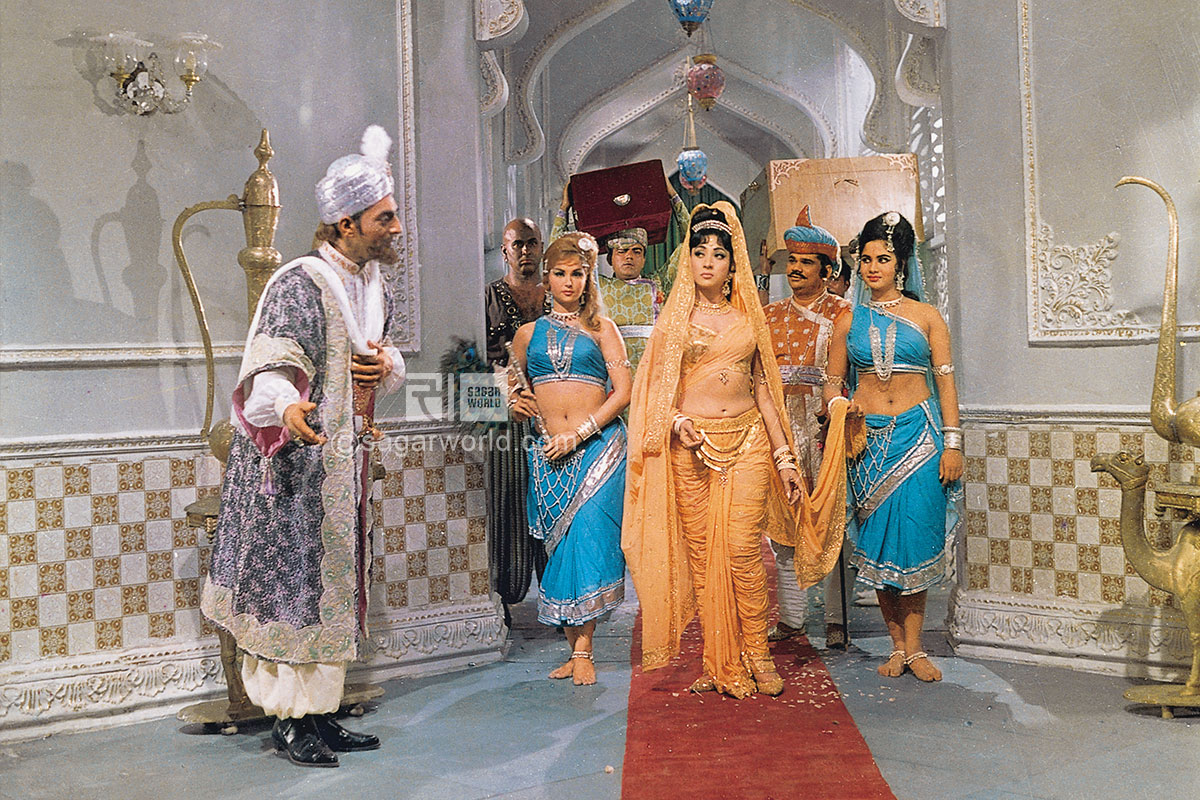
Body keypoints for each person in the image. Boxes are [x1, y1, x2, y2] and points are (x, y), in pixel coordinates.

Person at [202, 125, 406, 767]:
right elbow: (271, 365)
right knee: (290, 591)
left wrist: (386, 366)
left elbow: (380, 358)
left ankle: (319, 713)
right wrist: (286, 407)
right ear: (346, 223)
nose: (397, 227)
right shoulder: (300, 282)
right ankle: (290, 722)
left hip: (342, 469)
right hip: (293, 472)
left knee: (329, 593)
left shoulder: (371, 285)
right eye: (385, 217)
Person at [624, 201, 860, 699]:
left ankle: (757, 652)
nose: (708, 261)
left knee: (743, 552)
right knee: (703, 558)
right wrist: (677, 422)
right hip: (691, 448)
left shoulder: (750, 320)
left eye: (719, 254)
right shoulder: (672, 324)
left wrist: (784, 458)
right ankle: (719, 657)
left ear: (734, 265)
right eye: (700, 252)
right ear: (687, 260)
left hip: (749, 439)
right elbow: (655, 394)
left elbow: (765, 394)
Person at [823, 210, 963, 682]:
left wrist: (953, 444)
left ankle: (917, 647)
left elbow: (946, 385)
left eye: (882, 259)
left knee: (915, 539)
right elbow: (831, 383)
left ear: (901, 263)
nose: (872, 268)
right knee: (880, 545)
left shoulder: (927, 317)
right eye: (865, 259)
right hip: (866, 444)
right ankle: (897, 647)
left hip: (920, 439)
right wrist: (841, 409)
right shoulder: (848, 320)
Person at [509, 232, 632, 685]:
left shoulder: (603, 329)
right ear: (546, 278)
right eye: (559, 273)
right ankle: (573, 648)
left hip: (599, 448)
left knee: (587, 541)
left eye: (577, 273)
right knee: (559, 550)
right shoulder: (526, 335)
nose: (568, 282)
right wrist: (513, 404)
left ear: (588, 278)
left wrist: (579, 434)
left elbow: (624, 393)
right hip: (547, 455)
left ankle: (584, 651)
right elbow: (508, 389)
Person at [762, 207, 854, 650]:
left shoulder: (844, 313)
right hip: (780, 428)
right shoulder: (770, 315)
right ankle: (792, 619)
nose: (795, 269)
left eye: (805, 262)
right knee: (783, 525)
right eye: (792, 261)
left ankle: (836, 619)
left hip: (826, 426)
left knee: (833, 519)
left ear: (827, 270)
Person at [552, 177, 689, 373]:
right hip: (611, 373)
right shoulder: (596, 286)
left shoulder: (659, 282)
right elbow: (558, 256)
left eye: (636, 251)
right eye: (622, 251)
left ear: (644, 258)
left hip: (654, 372)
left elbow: (692, 243)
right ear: (610, 258)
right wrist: (564, 209)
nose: (629, 256)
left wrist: (673, 196)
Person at [484, 218, 547, 621]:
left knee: (554, 503)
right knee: (507, 502)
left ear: (541, 246)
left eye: (531, 243)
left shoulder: (558, 294)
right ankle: (506, 598)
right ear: (505, 251)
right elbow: (469, 363)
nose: (525, 251)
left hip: (553, 415)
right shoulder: (487, 296)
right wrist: (503, 401)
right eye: (517, 245)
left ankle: (561, 599)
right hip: (505, 417)